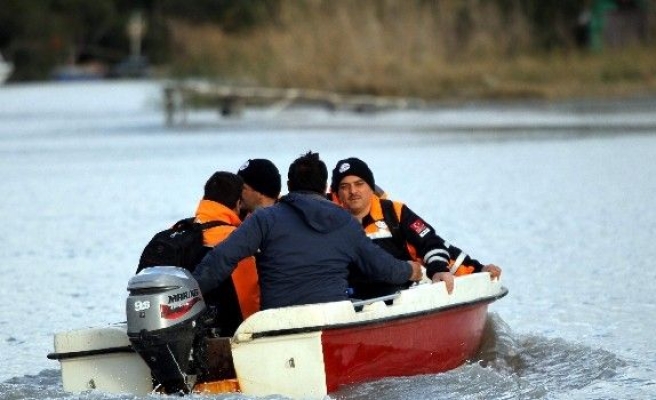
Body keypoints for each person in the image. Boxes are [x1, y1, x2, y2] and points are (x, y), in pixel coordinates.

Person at [192, 151, 423, 310]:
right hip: (330, 320)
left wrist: (191, 293)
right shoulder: (346, 223)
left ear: (289, 186)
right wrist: (412, 270)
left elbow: (222, 258)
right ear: (325, 188)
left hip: (277, 323)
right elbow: (382, 268)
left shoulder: (265, 218)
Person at [330, 157, 502, 299]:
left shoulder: (394, 213)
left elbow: (431, 242)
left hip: (396, 300)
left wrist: (477, 271)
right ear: (337, 193)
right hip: (346, 303)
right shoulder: (326, 218)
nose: (353, 191)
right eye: (344, 186)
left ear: (370, 187)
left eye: (359, 183)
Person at [194, 171, 259, 335]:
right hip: (225, 337)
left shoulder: (177, 231)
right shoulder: (238, 240)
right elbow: (250, 309)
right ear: (238, 204)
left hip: (187, 334)